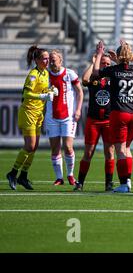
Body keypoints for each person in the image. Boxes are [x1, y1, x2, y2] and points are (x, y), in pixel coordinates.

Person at [93, 40, 133, 193]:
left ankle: (123, 184)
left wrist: (100, 54)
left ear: (119, 56)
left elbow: (96, 72)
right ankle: (128, 181)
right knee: (127, 148)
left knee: (120, 149)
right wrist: (129, 52)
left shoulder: (113, 70)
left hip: (119, 113)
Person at [6, 46, 56, 190]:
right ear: (36, 60)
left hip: (39, 113)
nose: (47, 61)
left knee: (34, 148)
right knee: (30, 145)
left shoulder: (45, 73)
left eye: (48, 58)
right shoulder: (33, 74)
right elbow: (26, 94)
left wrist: (51, 91)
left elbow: (43, 90)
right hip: (28, 112)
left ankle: (23, 176)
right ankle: (13, 173)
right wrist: (42, 96)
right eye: (44, 59)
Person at [74, 51, 115, 191]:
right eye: (103, 63)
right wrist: (94, 62)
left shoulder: (114, 78)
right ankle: (80, 182)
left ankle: (108, 183)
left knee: (109, 152)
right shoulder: (94, 77)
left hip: (109, 120)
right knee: (88, 152)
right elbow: (84, 79)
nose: (105, 65)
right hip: (93, 120)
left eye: (108, 64)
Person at [46, 50, 83, 186]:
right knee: (55, 148)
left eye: (53, 59)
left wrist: (78, 109)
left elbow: (80, 92)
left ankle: (70, 175)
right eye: (50, 59)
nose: (51, 62)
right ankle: (59, 178)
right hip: (51, 116)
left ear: (60, 60)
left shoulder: (69, 73)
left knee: (68, 146)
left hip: (68, 117)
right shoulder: (46, 75)